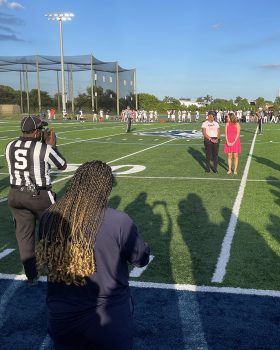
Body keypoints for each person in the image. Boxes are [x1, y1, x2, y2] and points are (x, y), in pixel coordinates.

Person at [36, 161, 150, 350]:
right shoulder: (118, 220)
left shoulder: (50, 217)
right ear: (104, 188)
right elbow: (140, 259)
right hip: (108, 318)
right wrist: (144, 247)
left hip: (62, 316)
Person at [5, 115, 67, 285]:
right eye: (40, 130)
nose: (42, 133)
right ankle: (56, 271)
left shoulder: (10, 145)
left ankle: (31, 275)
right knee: (54, 233)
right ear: (36, 132)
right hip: (39, 196)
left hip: (15, 194)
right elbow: (62, 165)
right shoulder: (43, 149)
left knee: (24, 236)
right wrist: (52, 146)